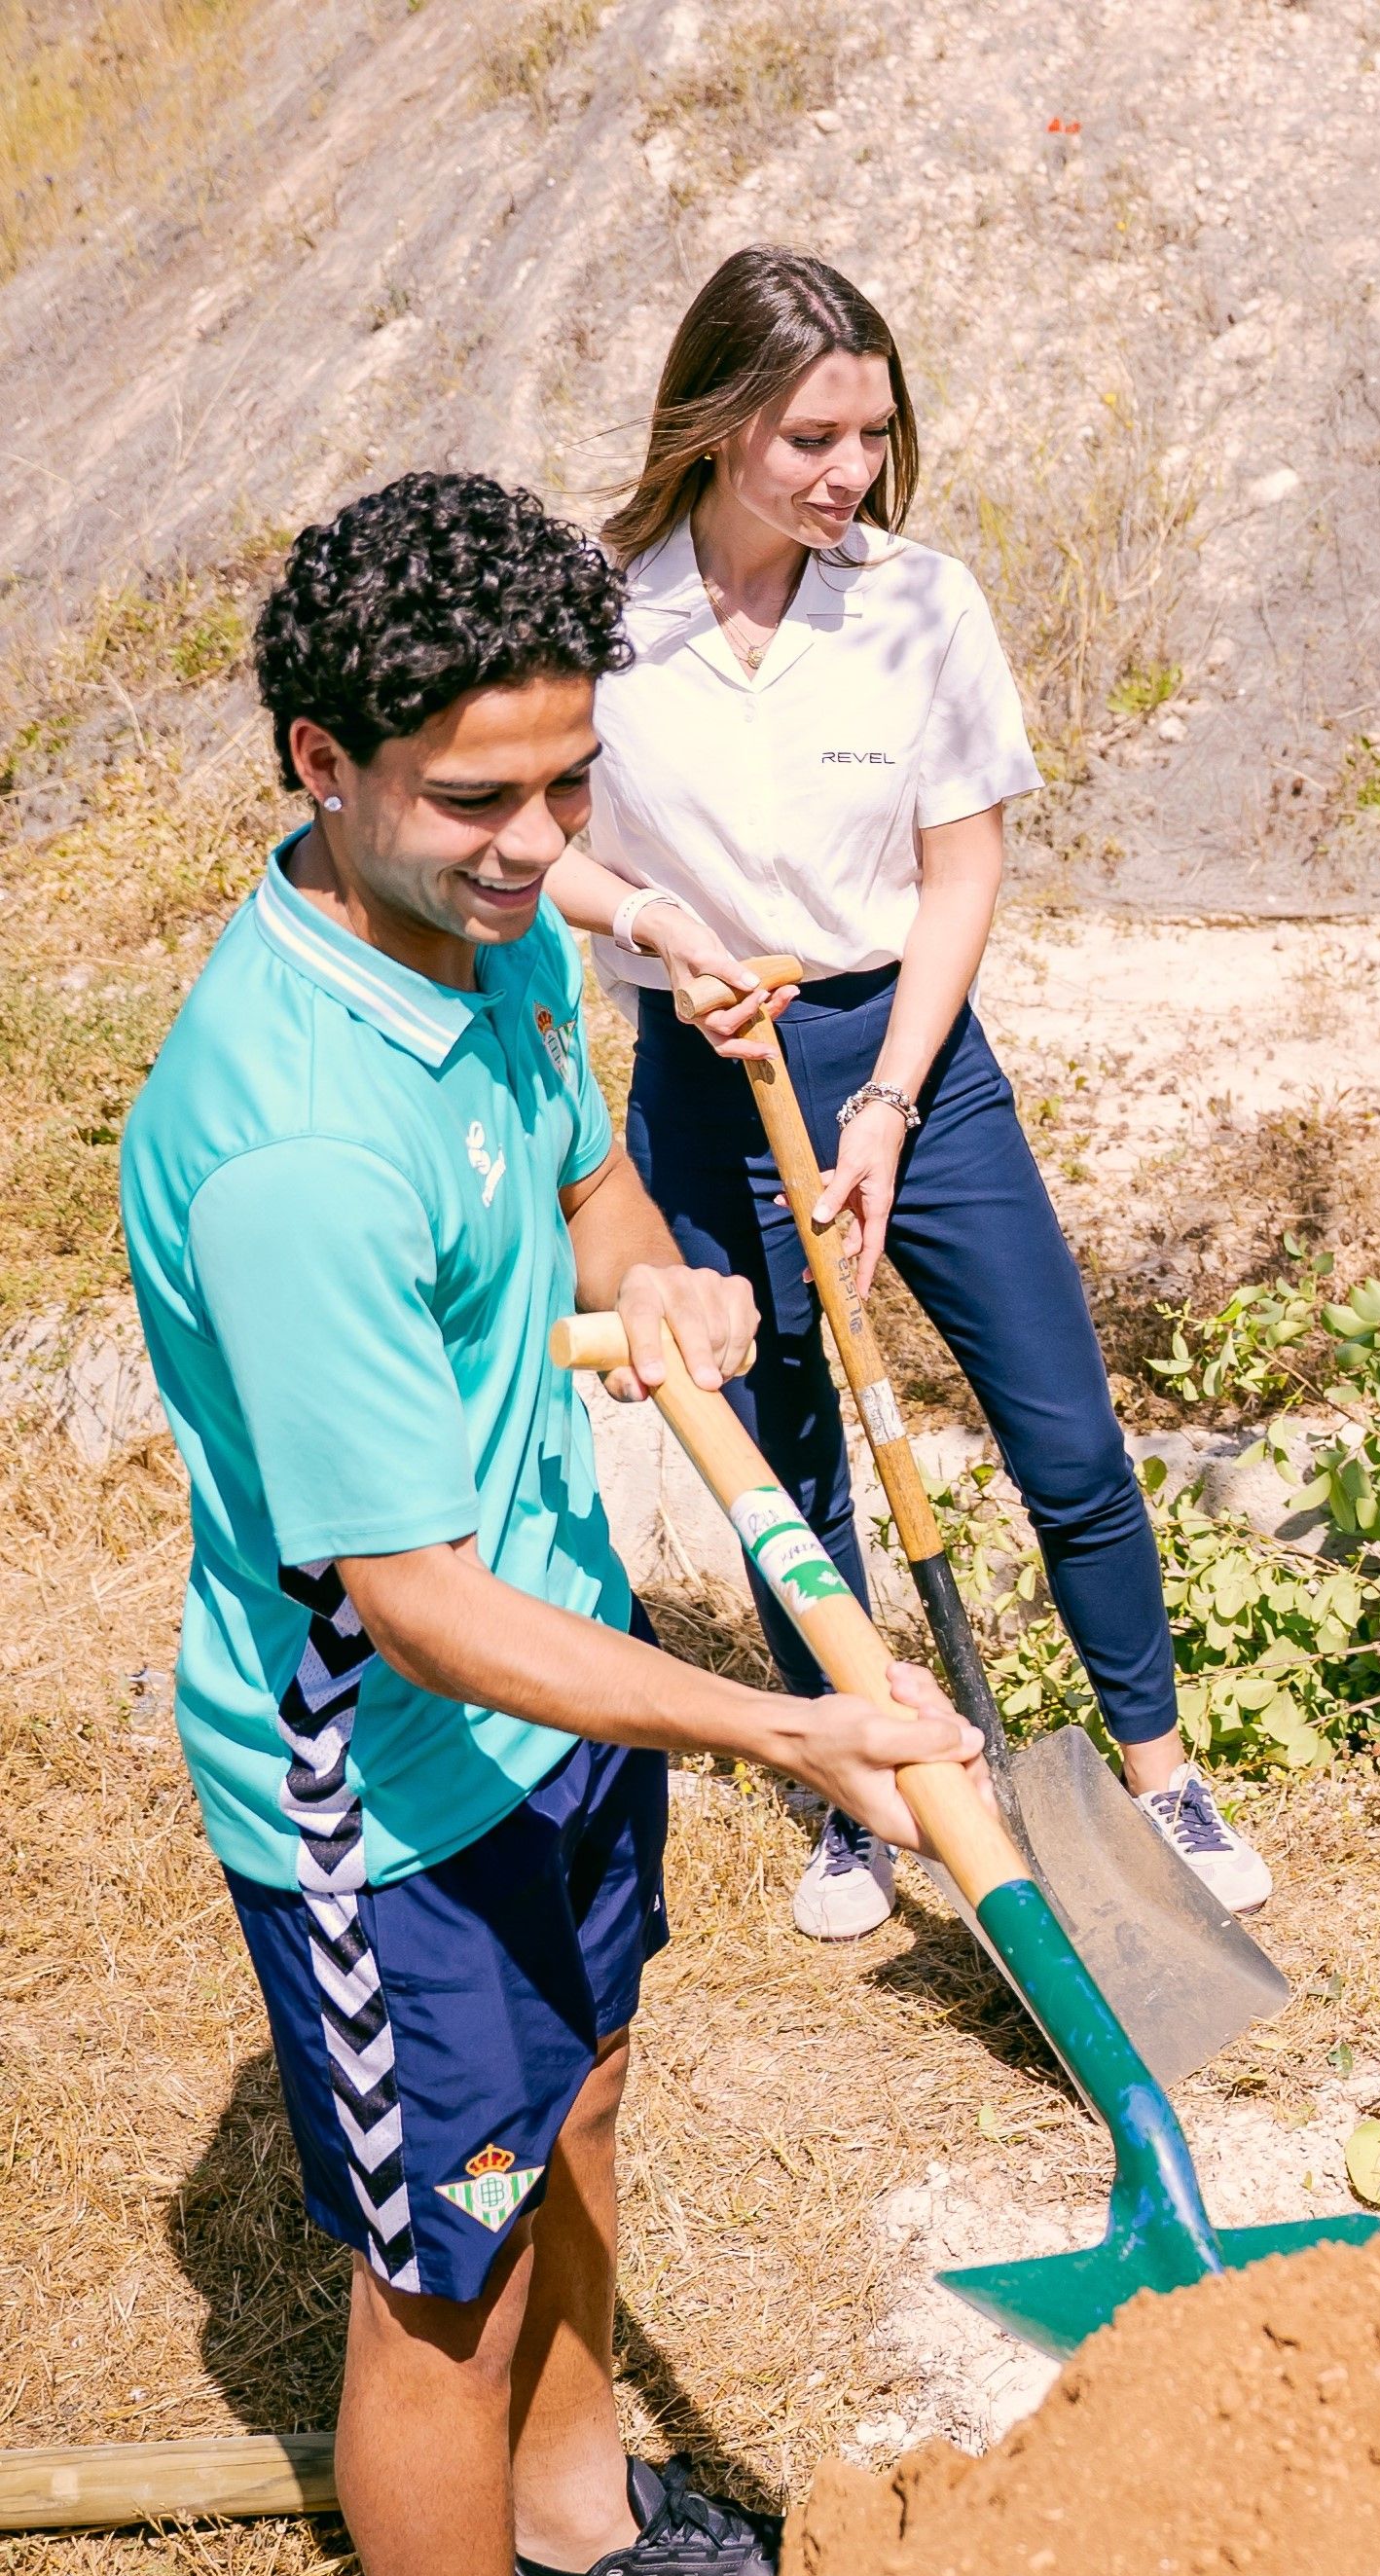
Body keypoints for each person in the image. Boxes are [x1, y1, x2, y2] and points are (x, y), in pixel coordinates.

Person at [121, 472, 988, 2576]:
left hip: (564, 1693)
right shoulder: (299, 1139)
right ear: (322, 765)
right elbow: (407, 1599)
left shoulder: (481, 934)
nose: (537, 850)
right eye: (478, 800)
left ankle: (581, 2524)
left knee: (583, 2093)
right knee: (447, 2297)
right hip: (393, 1785)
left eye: (566, 782)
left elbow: (595, 1189)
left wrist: (666, 1282)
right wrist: (795, 1729)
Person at [537, 247, 1262, 1938]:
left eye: (870, 431)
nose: (847, 470)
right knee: (786, 1451)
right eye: (809, 436)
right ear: (716, 425)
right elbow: (531, 839)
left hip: (912, 1063)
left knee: (1063, 1428)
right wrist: (648, 918)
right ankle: (855, 1789)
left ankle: (1160, 1776)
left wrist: (887, 1108)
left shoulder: (920, 600)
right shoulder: (600, 611)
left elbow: (962, 867)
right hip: (707, 1078)